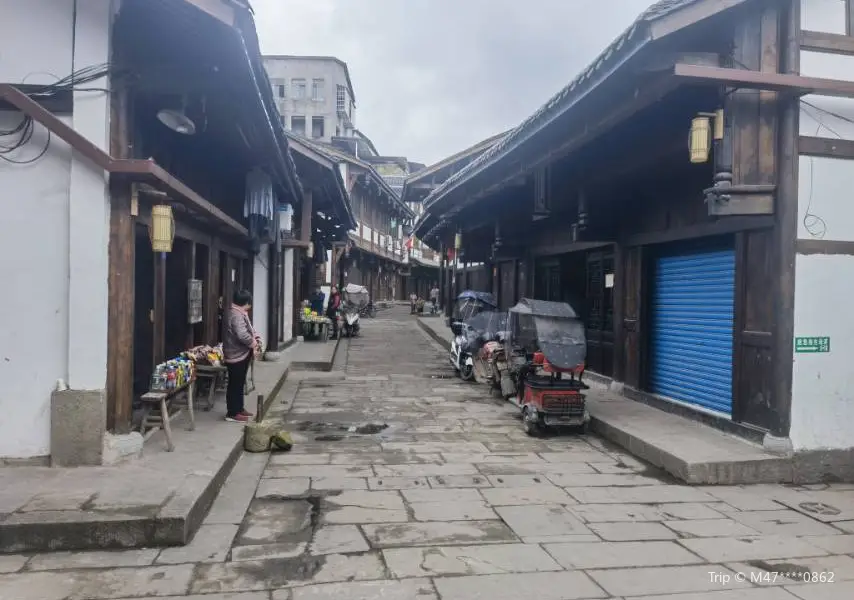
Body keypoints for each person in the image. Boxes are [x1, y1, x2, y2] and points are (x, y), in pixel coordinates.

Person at [223, 289, 258, 423]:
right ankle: (232, 412)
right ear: (246, 302)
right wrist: (253, 343)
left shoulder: (237, 311)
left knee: (239, 382)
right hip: (236, 354)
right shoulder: (236, 315)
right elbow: (242, 334)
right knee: (235, 383)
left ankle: (239, 408)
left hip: (238, 353)